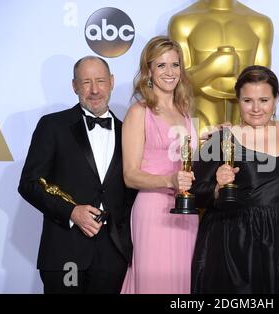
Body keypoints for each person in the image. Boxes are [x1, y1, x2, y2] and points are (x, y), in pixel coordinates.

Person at [190, 65, 279, 293]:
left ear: (277, 98)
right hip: (238, 245)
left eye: (264, 100)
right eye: (248, 100)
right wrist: (218, 188)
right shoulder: (222, 139)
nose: (256, 108)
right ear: (238, 100)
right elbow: (194, 191)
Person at [18, 56, 136, 293]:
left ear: (112, 82)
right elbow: (29, 183)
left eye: (101, 81)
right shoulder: (53, 126)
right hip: (64, 250)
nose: (94, 90)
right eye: (86, 82)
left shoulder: (129, 132)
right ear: (74, 86)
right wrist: (71, 211)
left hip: (113, 254)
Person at [120, 36, 198, 294]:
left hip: (186, 214)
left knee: (183, 284)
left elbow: (188, 162)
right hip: (154, 212)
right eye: (161, 65)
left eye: (175, 65)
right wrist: (169, 180)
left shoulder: (185, 112)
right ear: (149, 70)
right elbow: (130, 176)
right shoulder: (139, 112)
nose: (170, 72)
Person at [168, 0, 273, 135]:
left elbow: (264, 85)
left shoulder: (260, 24)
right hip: (200, 122)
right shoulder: (182, 22)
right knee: (201, 152)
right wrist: (213, 67)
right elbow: (179, 83)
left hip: (247, 126)